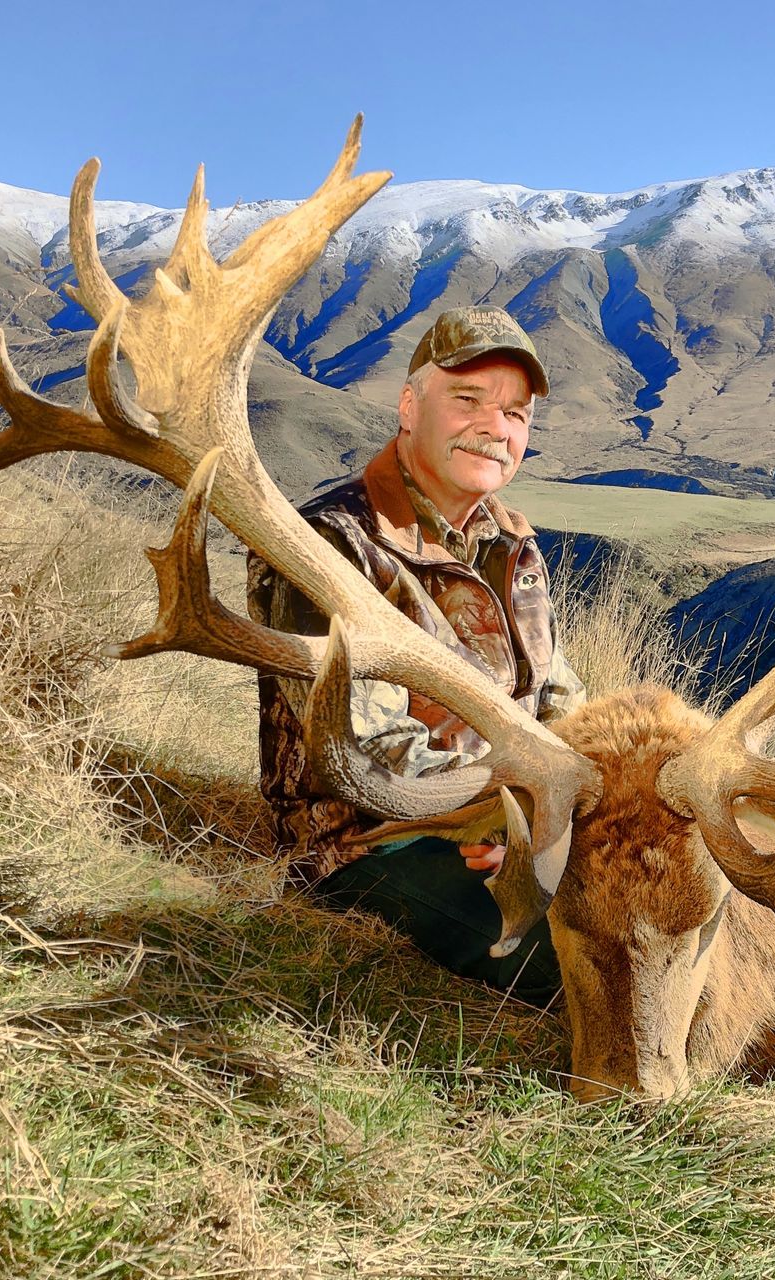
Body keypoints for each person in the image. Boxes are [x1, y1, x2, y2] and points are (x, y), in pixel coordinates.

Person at [246, 306, 585, 1004]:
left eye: (516, 413)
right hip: (370, 848)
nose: (496, 428)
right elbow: (363, 754)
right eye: (469, 401)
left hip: (511, 827)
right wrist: (519, 820)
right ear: (409, 405)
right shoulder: (328, 548)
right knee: (589, 966)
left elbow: (561, 705)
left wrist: (574, 814)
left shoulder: (511, 542)